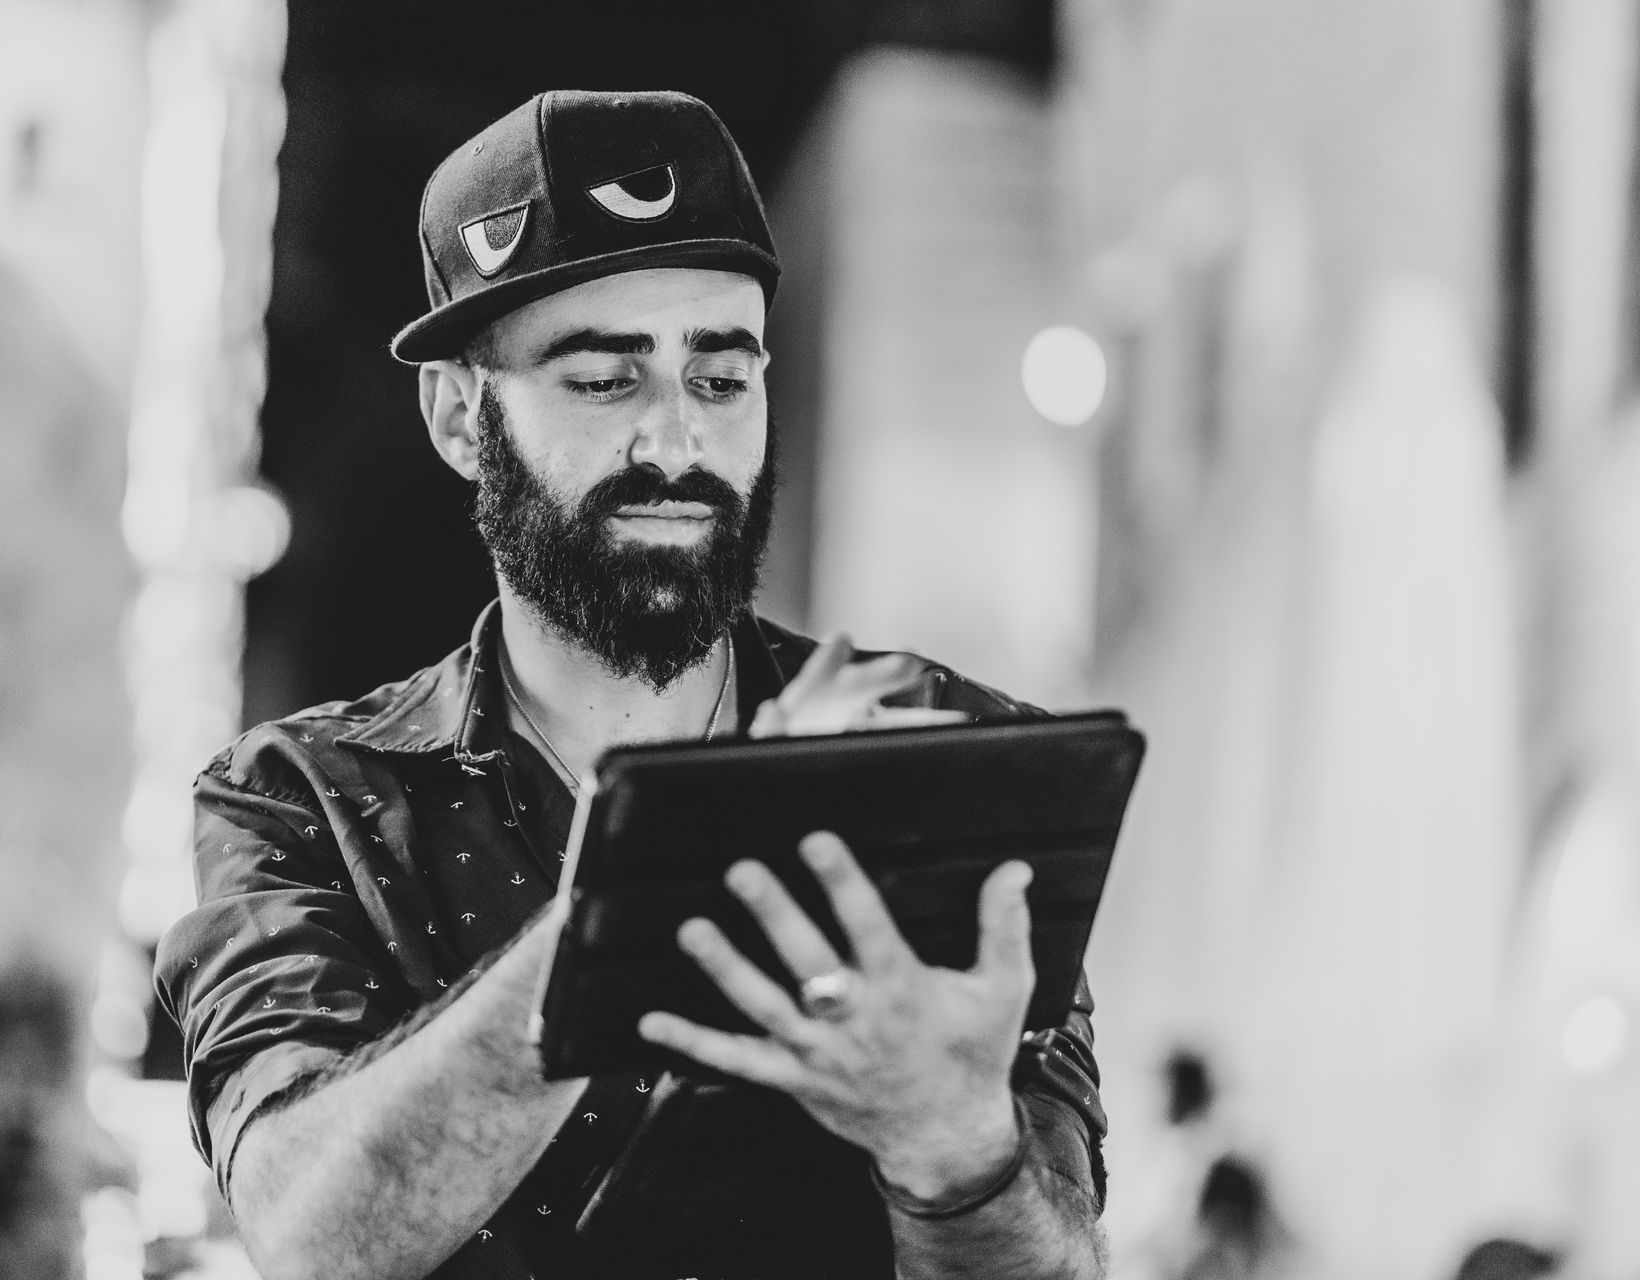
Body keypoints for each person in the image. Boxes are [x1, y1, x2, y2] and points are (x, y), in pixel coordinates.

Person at [154, 89, 1109, 1280]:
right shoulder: (299, 797)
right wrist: (672, 872)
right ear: (458, 415)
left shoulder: (950, 756)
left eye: (721, 379)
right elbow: (315, 1238)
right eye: (605, 380)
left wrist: (954, 1149)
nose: (674, 443)